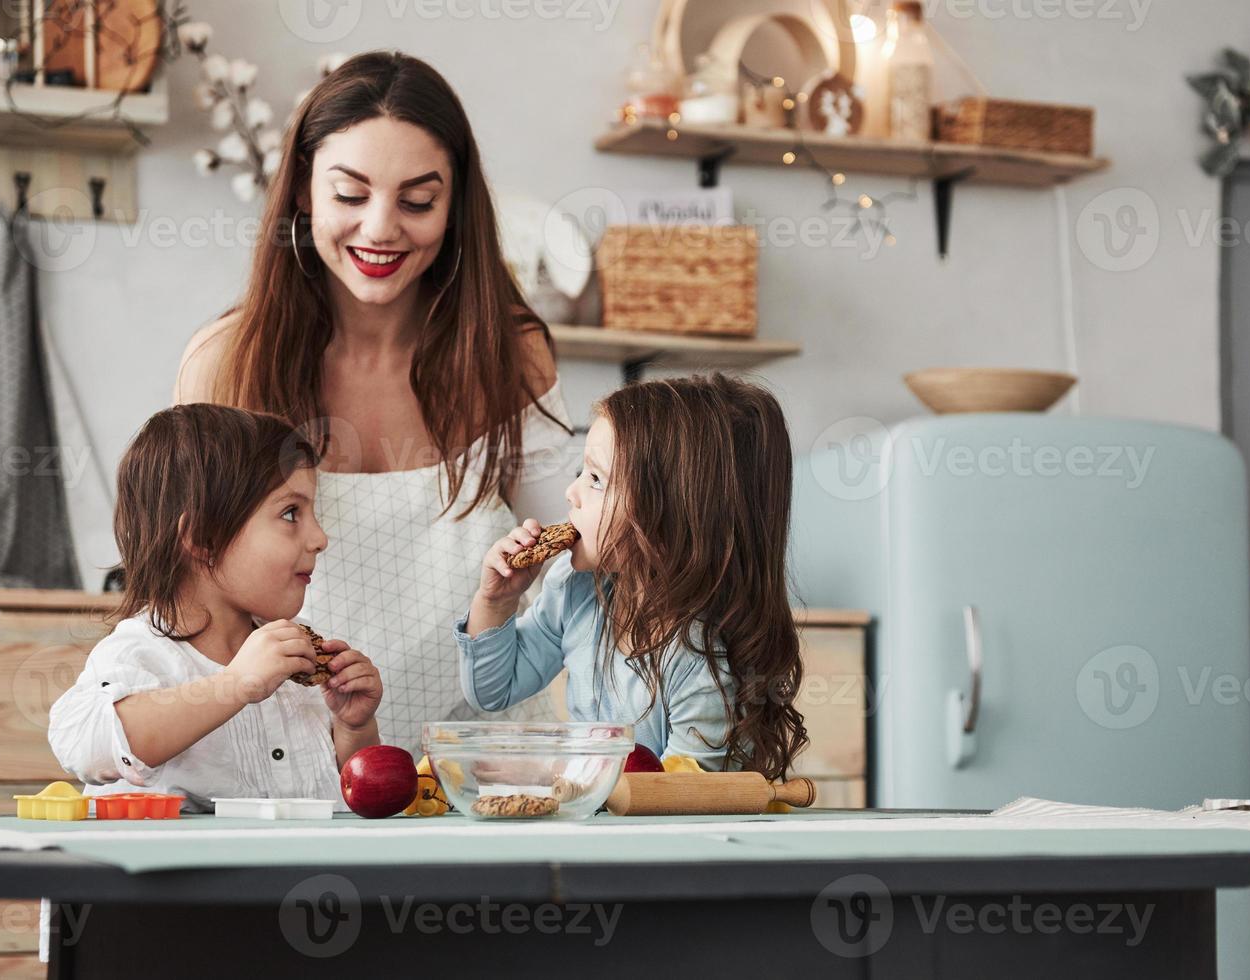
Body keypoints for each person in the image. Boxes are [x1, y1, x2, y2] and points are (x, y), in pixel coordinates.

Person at [173, 52, 571, 750]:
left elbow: (571, 557)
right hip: (290, 762)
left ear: (455, 208)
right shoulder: (226, 364)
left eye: (417, 201)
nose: (381, 229)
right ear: (302, 190)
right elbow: (186, 593)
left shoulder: (512, 355)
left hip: (485, 768)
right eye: (350, 196)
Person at [459, 375, 808, 777]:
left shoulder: (701, 665)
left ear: (669, 516)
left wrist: (546, 772)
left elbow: (680, 801)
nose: (571, 492)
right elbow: (493, 690)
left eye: (595, 479)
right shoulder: (577, 592)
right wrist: (497, 601)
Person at [49, 404, 383, 812]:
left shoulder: (294, 655)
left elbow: (349, 799)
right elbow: (84, 742)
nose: (319, 537)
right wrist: (234, 685)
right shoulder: (142, 653)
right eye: (291, 513)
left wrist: (354, 727)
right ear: (203, 537)